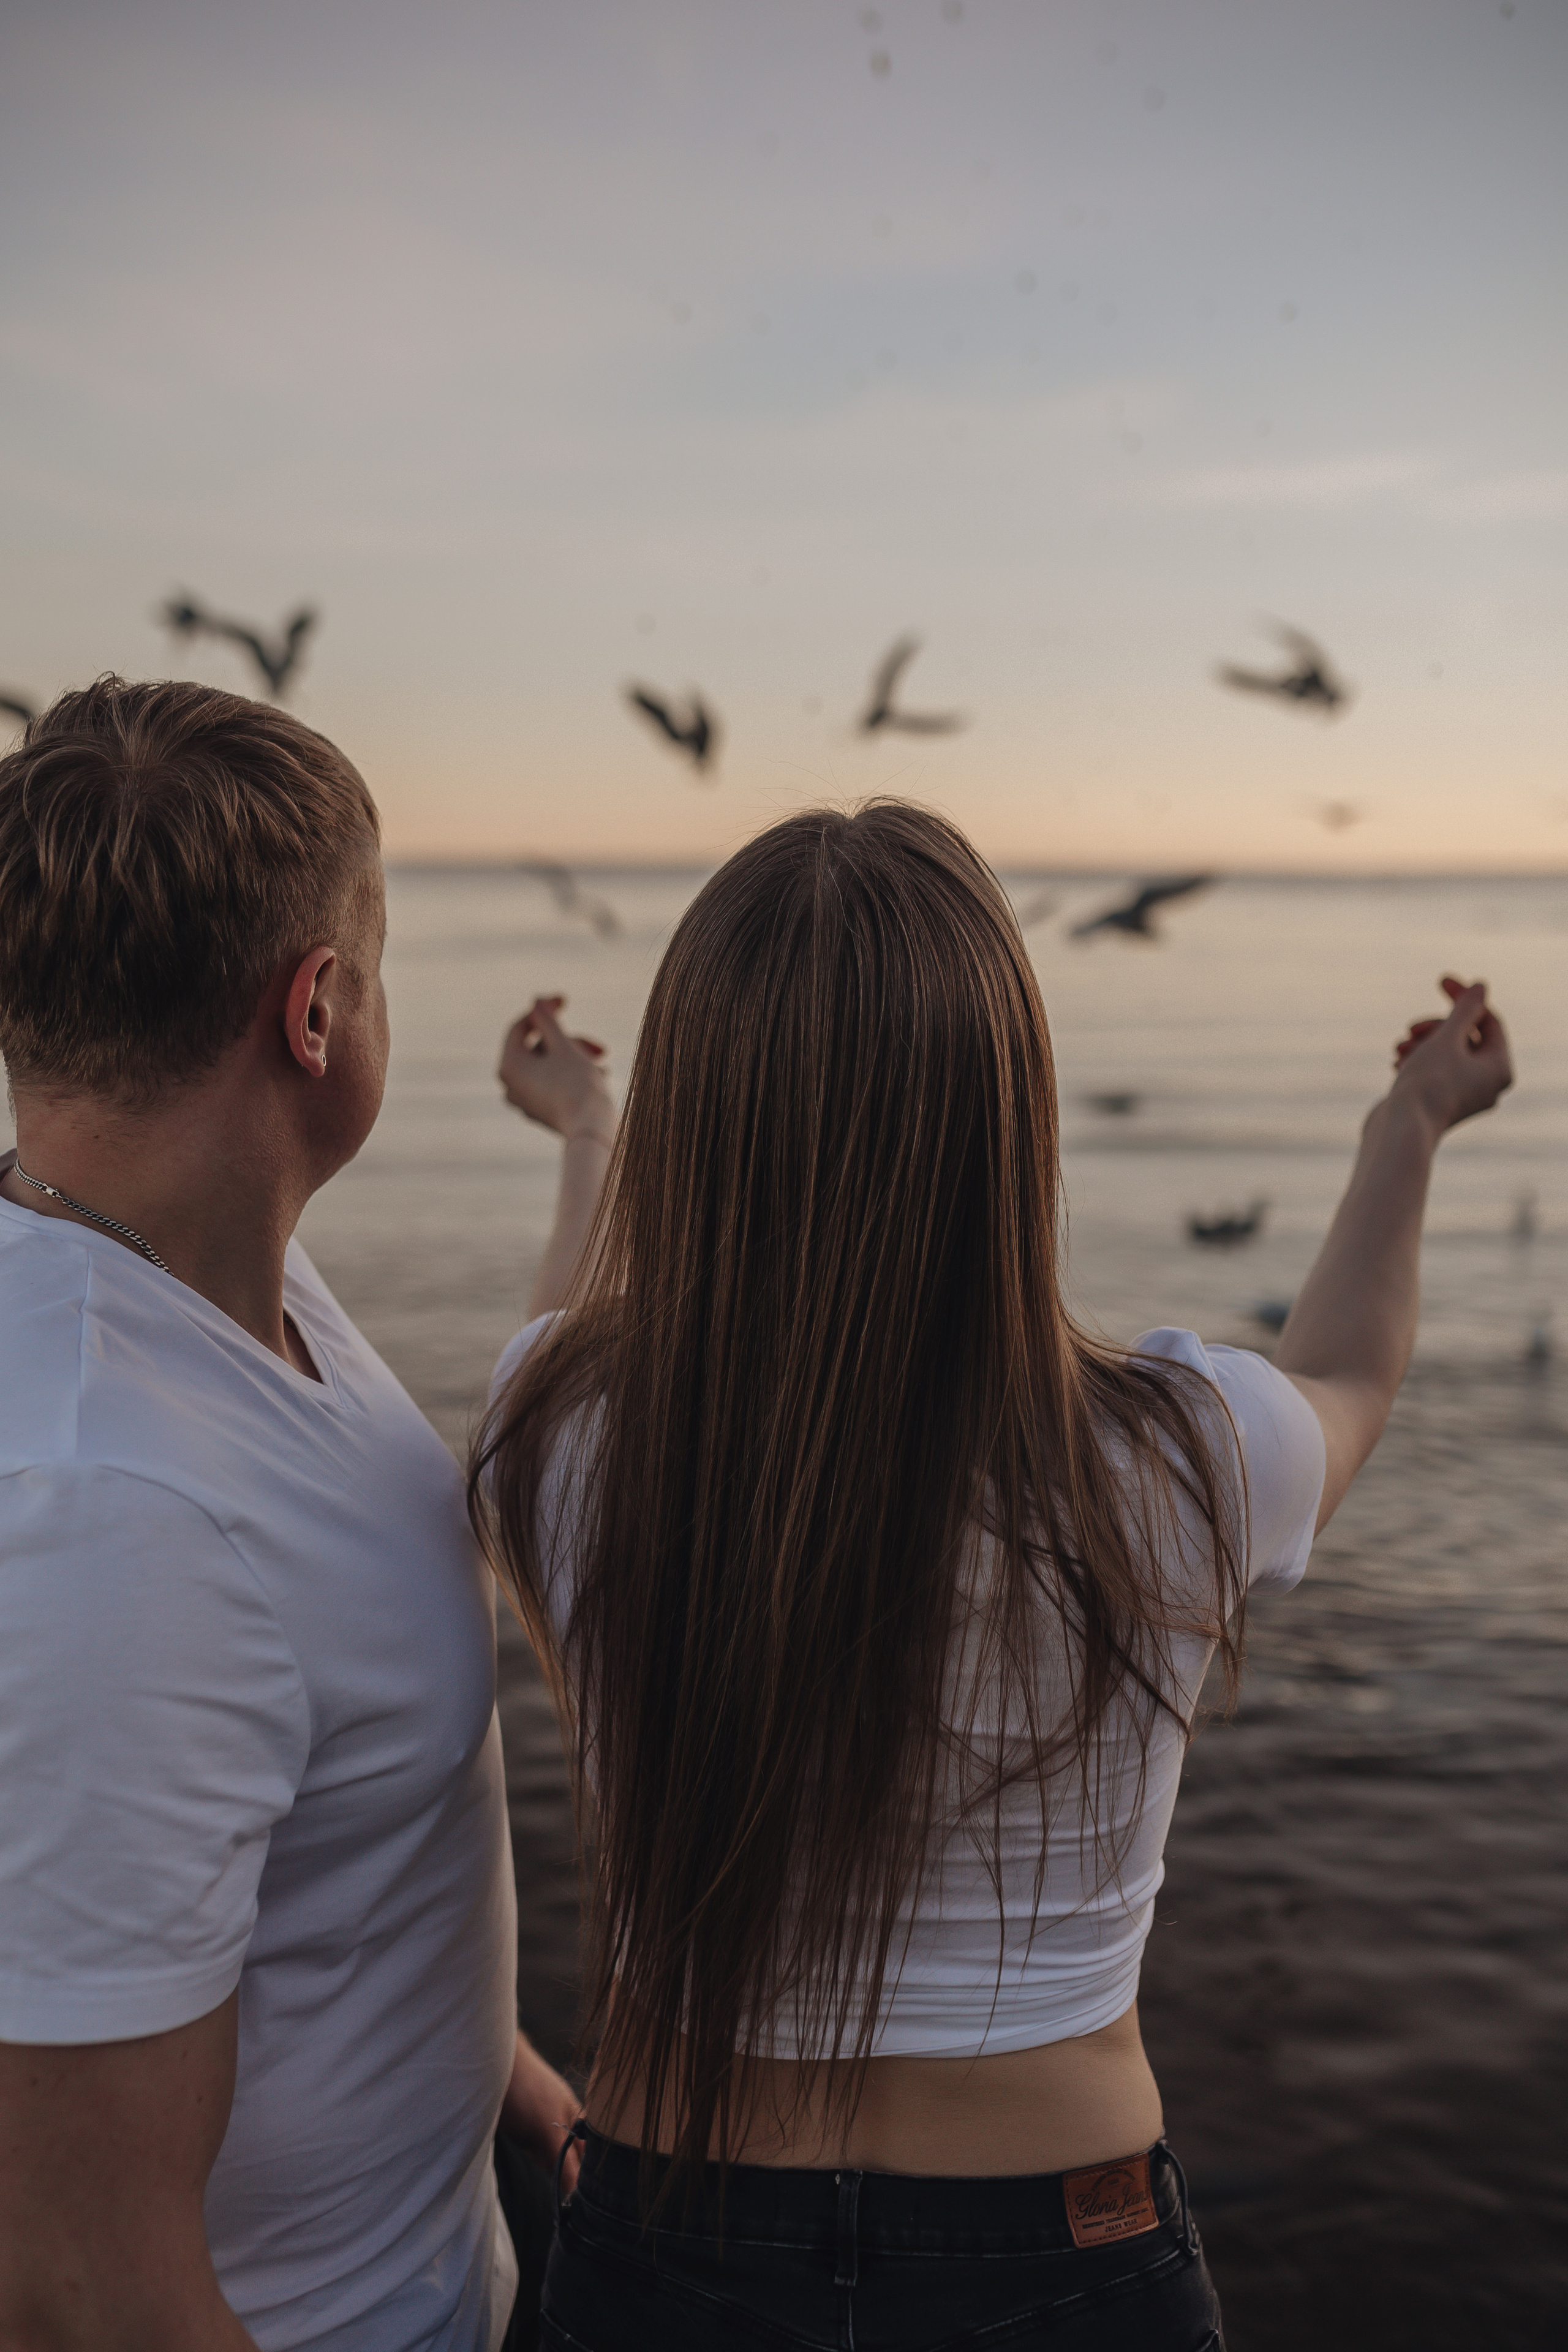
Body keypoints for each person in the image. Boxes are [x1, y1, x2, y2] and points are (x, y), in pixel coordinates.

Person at [472, 802, 1512, 2351]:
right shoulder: (1178, 1457)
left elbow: (555, 1358)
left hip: (670, 2241)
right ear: (1006, 1112)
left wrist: (588, 1139)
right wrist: (1409, 1125)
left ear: (702, 1113)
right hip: (1065, 2258)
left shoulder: (558, 1441)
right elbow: (1349, 1371)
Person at [0, 679, 578, 2352]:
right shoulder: (108, 1509)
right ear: (317, 1010)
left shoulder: (223, 1282)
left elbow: (299, 1796)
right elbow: (76, 2292)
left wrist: (510, 2080)